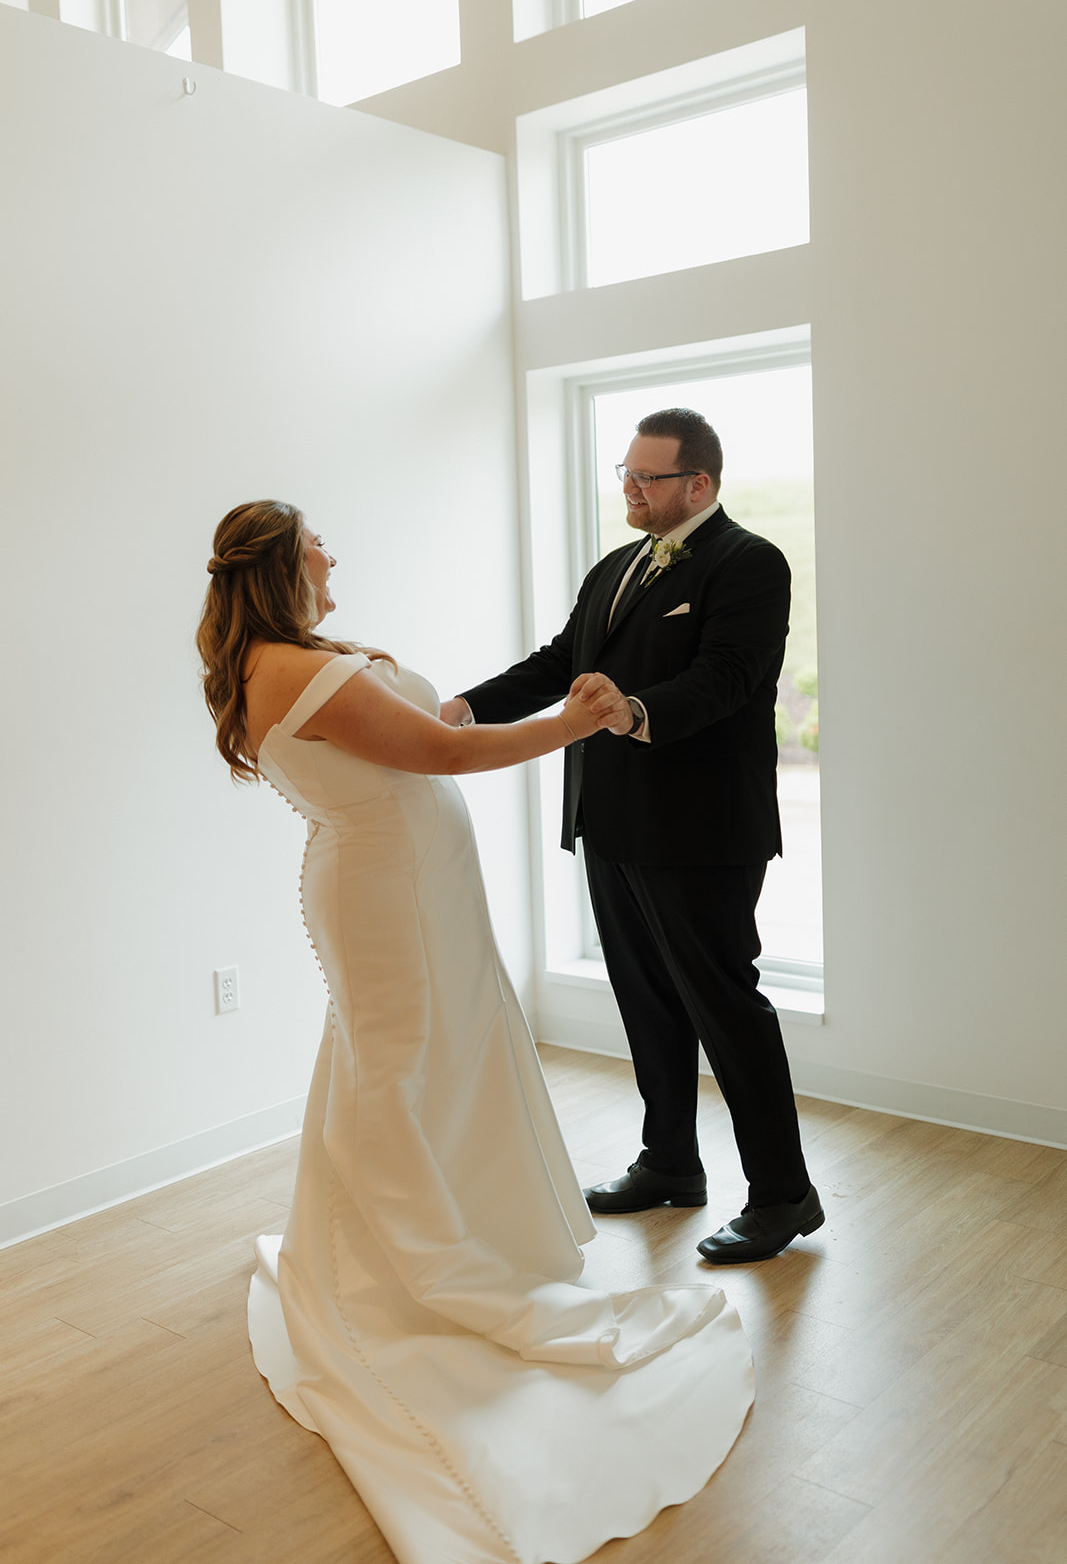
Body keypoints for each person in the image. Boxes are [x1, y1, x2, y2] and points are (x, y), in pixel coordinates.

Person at [196, 500, 753, 1564]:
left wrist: (506, 711)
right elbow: (439, 759)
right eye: (317, 539)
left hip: (411, 883)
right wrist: (577, 722)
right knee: (395, 1067)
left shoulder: (299, 653)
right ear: (280, 560)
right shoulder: (278, 665)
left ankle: (449, 1230)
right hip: (385, 891)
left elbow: (422, 736)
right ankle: (415, 1266)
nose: (331, 550)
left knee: (417, 1060)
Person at [444, 408, 823, 1265]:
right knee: (646, 1003)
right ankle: (669, 1164)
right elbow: (557, 663)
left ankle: (783, 1196)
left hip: (700, 830)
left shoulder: (749, 562)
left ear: (700, 484)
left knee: (724, 1008)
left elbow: (727, 677)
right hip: (609, 822)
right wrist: (467, 707)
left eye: (646, 478)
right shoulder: (615, 564)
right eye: (624, 474)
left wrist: (638, 710)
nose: (629, 488)